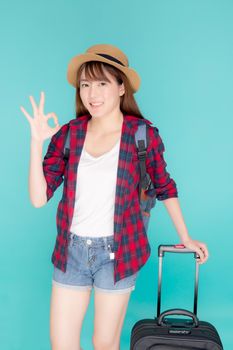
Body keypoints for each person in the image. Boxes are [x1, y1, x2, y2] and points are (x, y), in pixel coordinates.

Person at [20, 43, 209, 350]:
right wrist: (34, 143)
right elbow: (38, 198)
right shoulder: (69, 134)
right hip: (72, 252)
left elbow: (165, 186)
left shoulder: (142, 135)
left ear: (122, 88)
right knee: (61, 343)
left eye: (102, 83)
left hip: (118, 253)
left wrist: (185, 237)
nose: (92, 93)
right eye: (85, 84)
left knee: (104, 343)